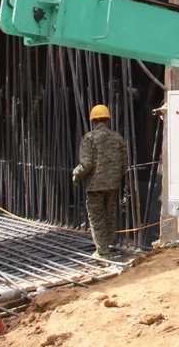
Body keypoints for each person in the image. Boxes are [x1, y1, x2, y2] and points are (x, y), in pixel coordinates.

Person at [72, 104, 128, 259]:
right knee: (109, 214)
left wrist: (77, 173)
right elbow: (125, 164)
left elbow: (87, 164)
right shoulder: (117, 138)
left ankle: (102, 252)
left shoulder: (89, 138)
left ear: (93, 121)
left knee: (97, 218)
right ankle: (108, 243)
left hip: (95, 185)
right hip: (113, 185)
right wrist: (115, 177)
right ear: (107, 119)